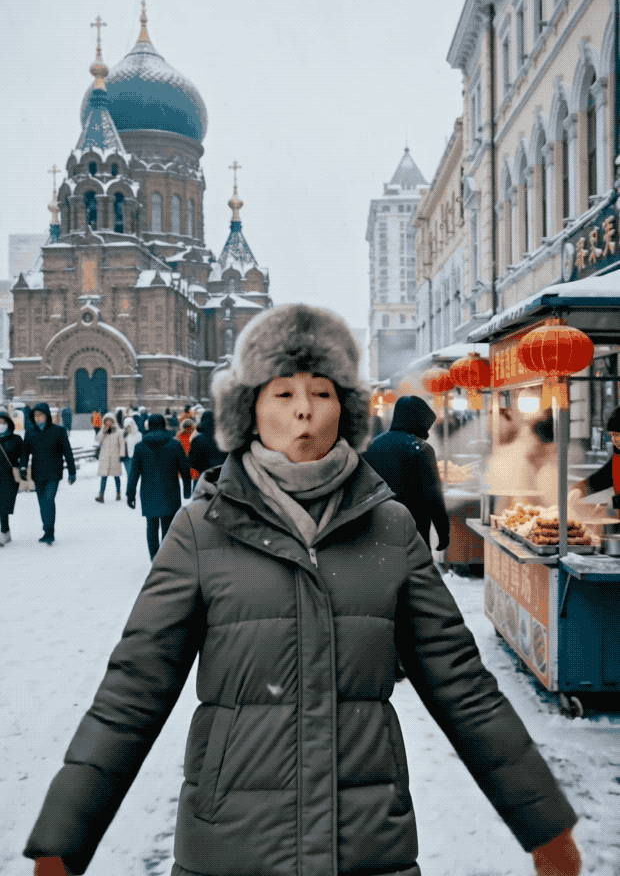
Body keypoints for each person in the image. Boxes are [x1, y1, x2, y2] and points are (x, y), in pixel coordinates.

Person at [24, 305, 581, 876]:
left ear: (346, 409)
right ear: (251, 410)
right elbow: (133, 690)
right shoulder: (201, 529)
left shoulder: (389, 529)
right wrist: (64, 839)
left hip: (366, 846)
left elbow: (462, 686)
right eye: (283, 393)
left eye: (322, 392)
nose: (305, 412)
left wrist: (545, 825)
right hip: (232, 849)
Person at [364, 395, 451, 551]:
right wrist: (443, 531)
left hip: (376, 526)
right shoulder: (421, 448)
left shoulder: (373, 445)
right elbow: (433, 495)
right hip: (412, 527)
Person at [125, 413, 191, 560]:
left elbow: (134, 474)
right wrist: (187, 490)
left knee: (152, 526)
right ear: (163, 424)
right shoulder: (175, 444)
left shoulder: (140, 447)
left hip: (149, 493)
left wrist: (130, 494)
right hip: (171, 491)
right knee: (168, 527)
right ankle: (166, 558)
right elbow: (185, 469)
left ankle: (154, 557)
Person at [20, 402, 76, 545]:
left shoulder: (58, 431)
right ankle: (47, 529)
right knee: (42, 503)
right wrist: (23, 468)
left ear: (46, 415)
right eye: (35, 415)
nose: (38, 418)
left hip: (53, 473)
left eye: (40, 415)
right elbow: (25, 453)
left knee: (48, 501)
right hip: (38, 474)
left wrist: (72, 471)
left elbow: (67, 452)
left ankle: (49, 532)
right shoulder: (30, 433)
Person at [571, 405, 620, 508]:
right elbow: (602, 478)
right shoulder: (618, 456)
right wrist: (579, 489)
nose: (615, 440)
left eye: (618, 434)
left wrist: (612, 504)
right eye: (612, 435)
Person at [0, 410, 24, 546]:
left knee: (4, 505)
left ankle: (4, 531)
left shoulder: (16, 439)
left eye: (2, 422)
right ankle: (4, 532)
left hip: (9, 478)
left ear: (8, 423)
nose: (0, 424)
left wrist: (22, 467)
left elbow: (23, 455)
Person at [187, 408, 226, 481]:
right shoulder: (224, 439)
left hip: (204, 478)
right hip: (222, 478)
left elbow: (192, 463)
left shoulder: (197, 440)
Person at [95, 413, 125, 503]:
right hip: (105, 457)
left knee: (116, 476)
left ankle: (118, 493)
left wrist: (121, 454)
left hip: (115, 457)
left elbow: (122, 444)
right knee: (103, 477)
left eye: (110, 420)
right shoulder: (103, 430)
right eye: (106, 420)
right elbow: (98, 440)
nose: (108, 422)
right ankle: (101, 496)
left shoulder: (118, 431)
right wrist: (104, 431)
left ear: (113, 421)